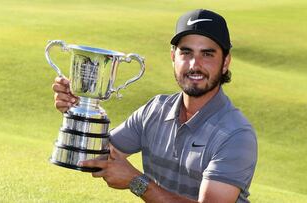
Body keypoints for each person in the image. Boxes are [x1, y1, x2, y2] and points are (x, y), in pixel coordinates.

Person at [52, 9, 257, 203]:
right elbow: (100, 157)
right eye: (186, 52)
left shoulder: (235, 133)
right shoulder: (155, 110)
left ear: (225, 62)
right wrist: (80, 111)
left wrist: (138, 182)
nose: (195, 64)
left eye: (207, 54)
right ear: (173, 57)